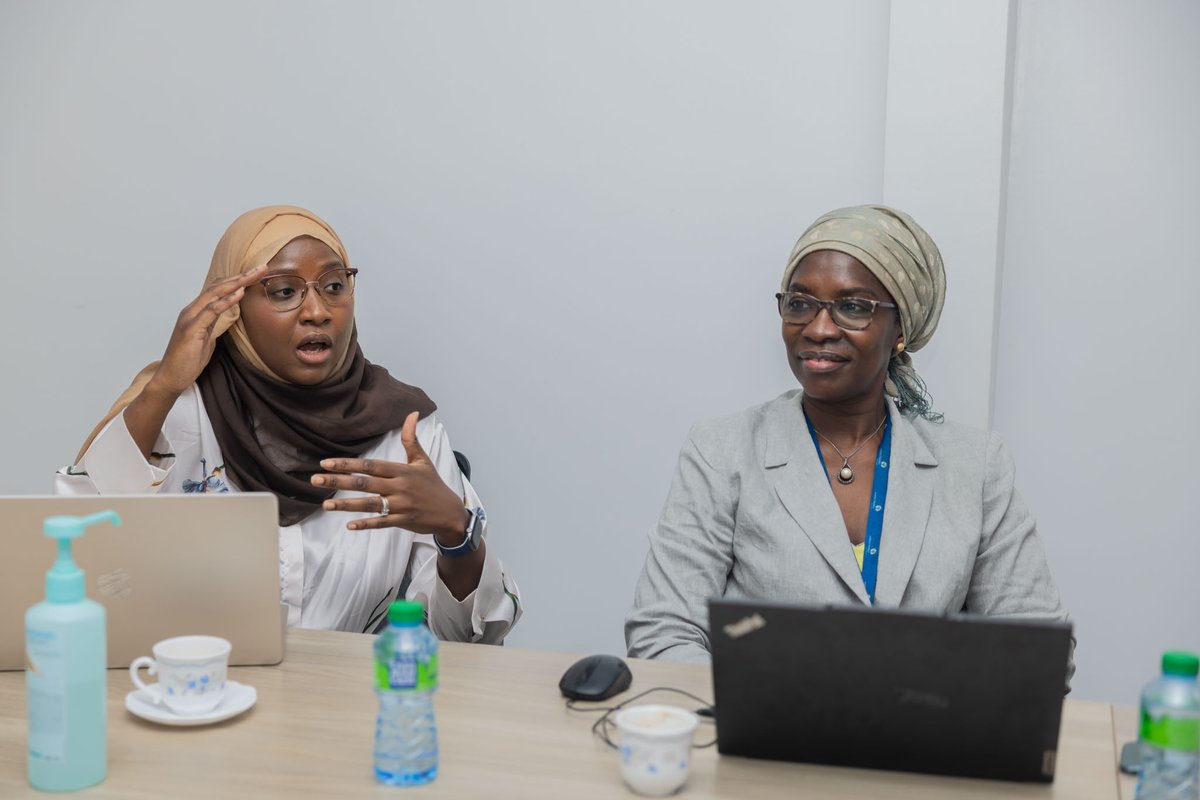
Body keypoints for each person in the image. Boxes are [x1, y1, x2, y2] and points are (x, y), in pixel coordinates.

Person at [625, 204, 1074, 684]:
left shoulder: (976, 467)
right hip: (768, 728)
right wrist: (784, 708)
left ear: (901, 330)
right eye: (800, 303)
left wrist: (919, 705)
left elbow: (1038, 649)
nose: (818, 328)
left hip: (922, 728)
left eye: (854, 307)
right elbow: (664, 632)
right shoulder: (722, 451)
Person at [58, 205, 521, 641]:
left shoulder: (406, 435)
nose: (317, 311)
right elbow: (76, 554)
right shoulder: (178, 412)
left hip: (340, 693)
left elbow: (466, 638)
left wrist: (457, 534)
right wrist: (161, 386)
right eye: (284, 291)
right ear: (233, 308)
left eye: (334, 286)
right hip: (191, 686)